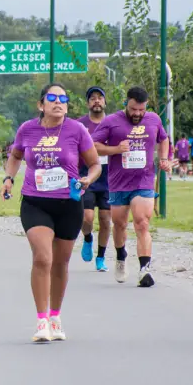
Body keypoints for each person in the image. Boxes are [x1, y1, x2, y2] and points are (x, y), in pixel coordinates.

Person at [1, 83, 100, 342]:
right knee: (43, 257)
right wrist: (9, 178)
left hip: (69, 203)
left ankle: (55, 317)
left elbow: (94, 164)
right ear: (41, 105)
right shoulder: (27, 129)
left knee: (60, 262)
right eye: (52, 98)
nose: (58, 103)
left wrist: (88, 179)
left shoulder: (76, 130)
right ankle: (41, 320)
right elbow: (15, 156)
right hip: (35, 202)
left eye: (63, 99)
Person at [92, 86, 170, 287]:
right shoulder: (111, 121)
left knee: (142, 222)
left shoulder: (154, 119)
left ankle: (145, 270)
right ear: (126, 103)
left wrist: (164, 159)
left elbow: (164, 139)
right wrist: (116, 149)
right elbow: (94, 145)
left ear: (146, 106)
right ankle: (121, 256)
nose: (137, 114)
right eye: (134, 109)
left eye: (141, 110)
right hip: (118, 182)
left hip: (143, 180)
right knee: (119, 224)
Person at [76, 86, 112, 272]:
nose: (96, 101)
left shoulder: (114, 123)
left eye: (100, 98)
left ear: (105, 102)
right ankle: (88, 237)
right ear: (88, 103)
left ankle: (101, 257)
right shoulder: (79, 125)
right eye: (92, 98)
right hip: (87, 175)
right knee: (87, 217)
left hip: (109, 177)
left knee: (105, 219)